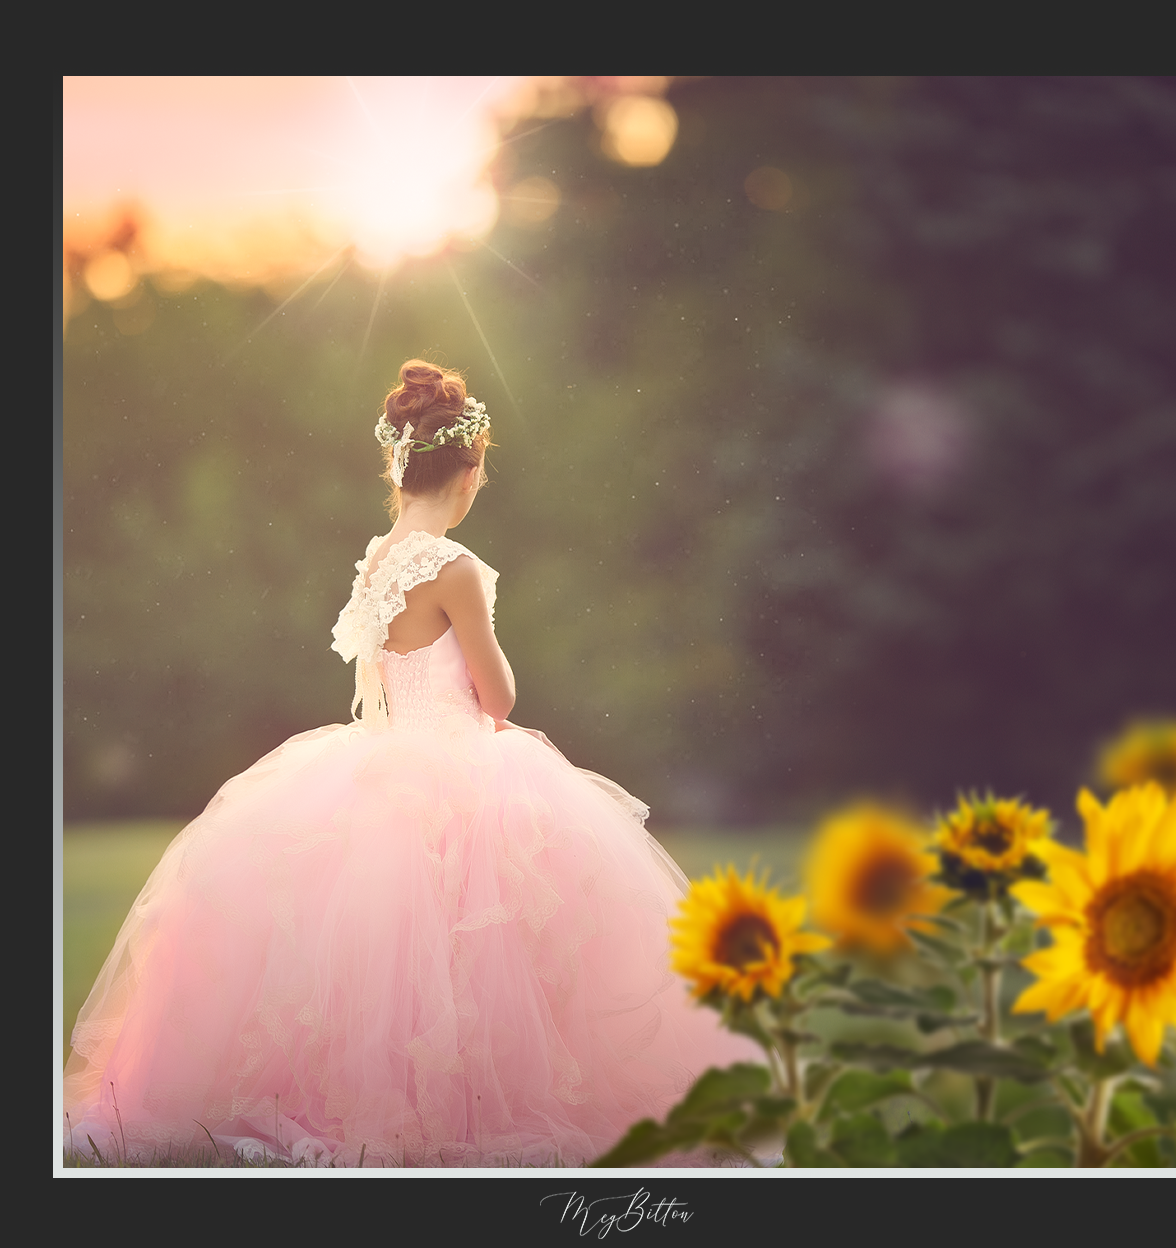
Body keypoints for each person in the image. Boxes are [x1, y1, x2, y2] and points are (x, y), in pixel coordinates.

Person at [63, 360, 757, 1167]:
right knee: (487, 948)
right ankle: (481, 1110)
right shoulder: (454, 568)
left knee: (372, 963)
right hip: (458, 759)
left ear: (401, 468)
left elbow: (383, 676)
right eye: (482, 471)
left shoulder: (378, 559)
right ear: (469, 472)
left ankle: (352, 1104)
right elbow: (496, 698)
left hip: (384, 755)